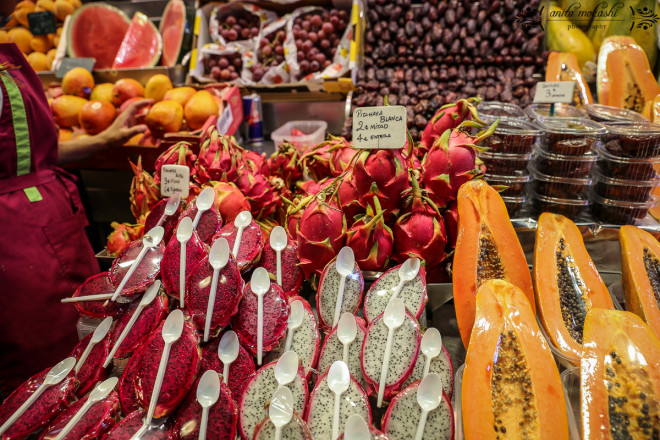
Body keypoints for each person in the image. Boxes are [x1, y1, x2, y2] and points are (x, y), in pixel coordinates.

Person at [0, 3, 151, 396]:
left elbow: (29, 152)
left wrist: (104, 140)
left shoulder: (5, 47)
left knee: (90, 359)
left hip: (46, 223)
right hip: (14, 248)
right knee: (39, 385)